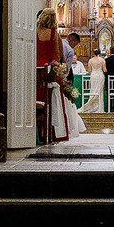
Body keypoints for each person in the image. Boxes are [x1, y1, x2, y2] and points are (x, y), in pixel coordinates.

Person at [35, 9, 85, 141]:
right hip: (50, 72)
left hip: (35, 71)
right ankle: (52, 133)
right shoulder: (54, 34)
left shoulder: (34, 32)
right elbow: (58, 55)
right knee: (54, 100)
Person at [79, 46, 107, 113]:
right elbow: (105, 70)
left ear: (93, 53)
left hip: (93, 76)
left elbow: (89, 71)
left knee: (93, 90)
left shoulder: (90, 60)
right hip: (100, 76)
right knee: (100, 92)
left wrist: (92, 75)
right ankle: (99, 109)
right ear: (99, 53)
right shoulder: (102, 60)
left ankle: (92, 106)